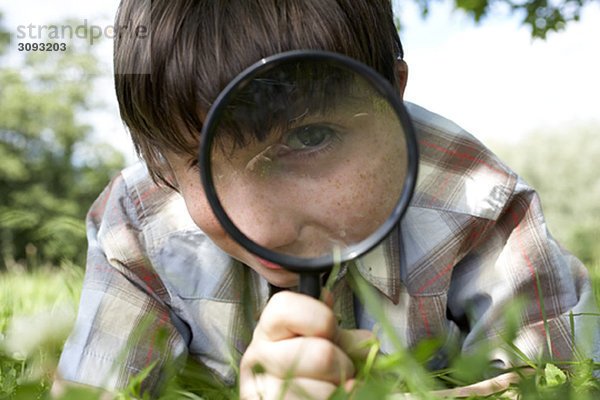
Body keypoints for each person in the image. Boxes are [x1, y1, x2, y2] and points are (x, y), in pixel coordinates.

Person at [53, 0, 599, 398]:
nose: (260, 230)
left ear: (392, 96)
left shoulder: (476, 199)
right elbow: (89, 392)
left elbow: (569, 380)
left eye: (310, 137)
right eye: (198, 163)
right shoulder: (136, 223)